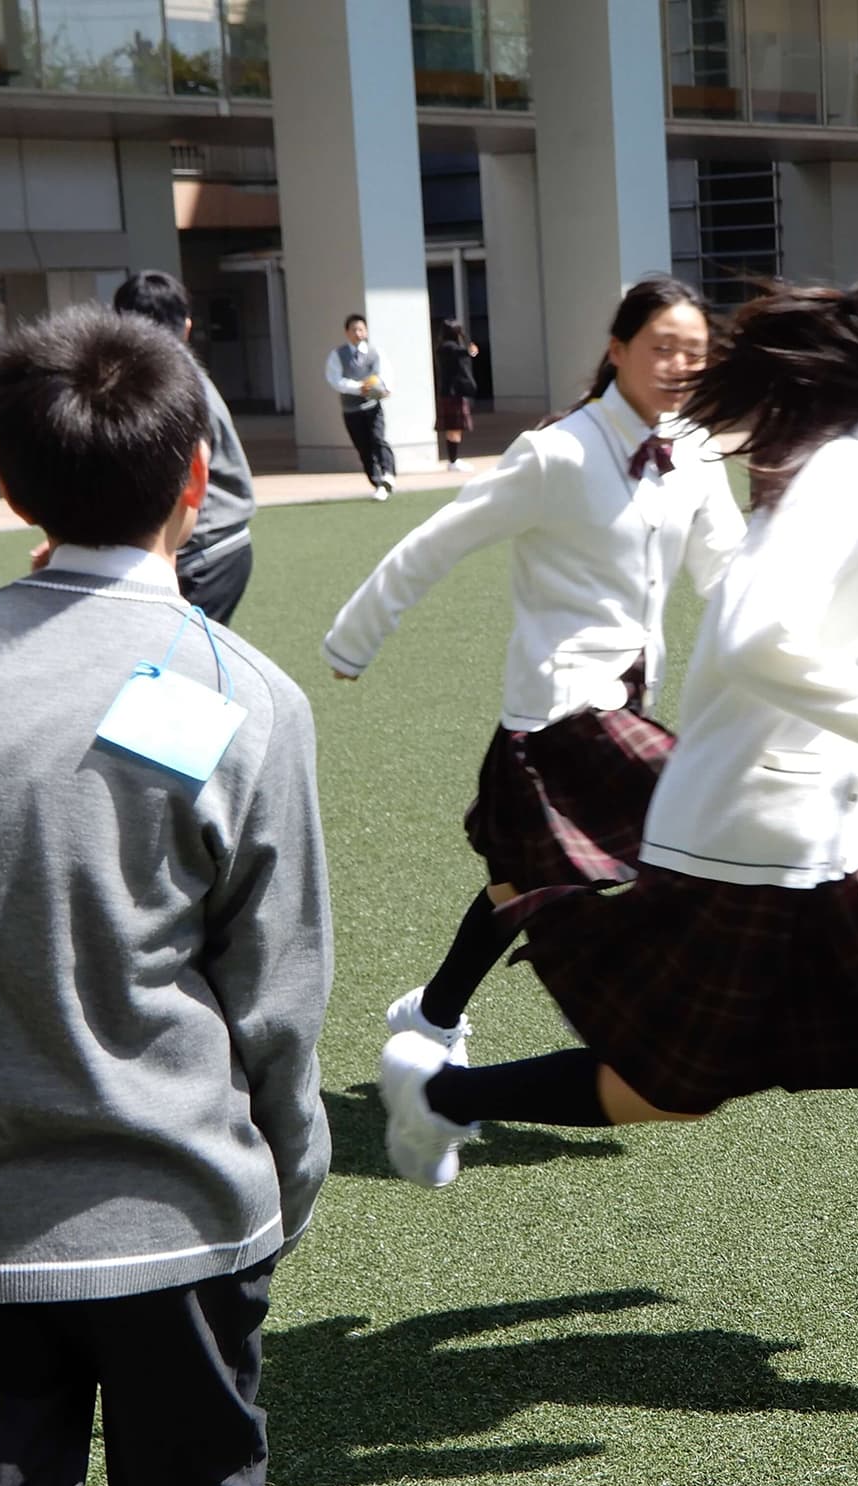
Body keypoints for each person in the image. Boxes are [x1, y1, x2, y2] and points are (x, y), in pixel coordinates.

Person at [375, 263, 858, 1396]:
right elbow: (762, 639)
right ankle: (443, 1092)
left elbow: (785, 644)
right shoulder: (844, 481)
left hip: (816, 815)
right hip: (756, 826)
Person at [0, 305, 331, 1486]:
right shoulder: (244, 692)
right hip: (175, 1210)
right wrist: (287, 1167)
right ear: (198, 472)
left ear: (11, 490)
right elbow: (275, 988)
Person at [324, 275, 745, 1070]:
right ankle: (645, 1025)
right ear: (617, 351)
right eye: (662, 348)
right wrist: (355, 639)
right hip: (559, 710)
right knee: (699, 818)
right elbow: (439, 540)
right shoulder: (558, 453)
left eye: (694, 351)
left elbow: (724, 570)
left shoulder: (694, 451)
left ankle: (434, 1015)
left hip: (624, 701)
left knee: (526, 886)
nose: (680, 364)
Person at [111, 269, 258, 624]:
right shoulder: (177, 375)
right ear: (187, 327)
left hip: (205, 551)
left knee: (174, 664)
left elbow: (184, 481)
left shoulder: (172, 386)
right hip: (220, 544)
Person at [326, 312, 396, 500]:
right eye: (354, 329)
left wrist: (384, 388)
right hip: (351, 410)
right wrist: (359, 388)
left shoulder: (375, 353)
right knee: (363, 448)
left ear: (366, 332)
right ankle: (377, 482)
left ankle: (389, 474)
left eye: (361, 329)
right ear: (347, 332)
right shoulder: (337, 355)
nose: (358, 333)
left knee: (378, 439)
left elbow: (384, 373)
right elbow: (335, 380)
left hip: (373, 406)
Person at [436, 318, 480, 472]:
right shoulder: (448, 347)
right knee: (454, 427)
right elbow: (466, 352)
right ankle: (453, 460)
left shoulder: (444, 346)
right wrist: (470, 347)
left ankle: (453, 460)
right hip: (452, 393)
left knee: (454, 427)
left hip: (450, 392)